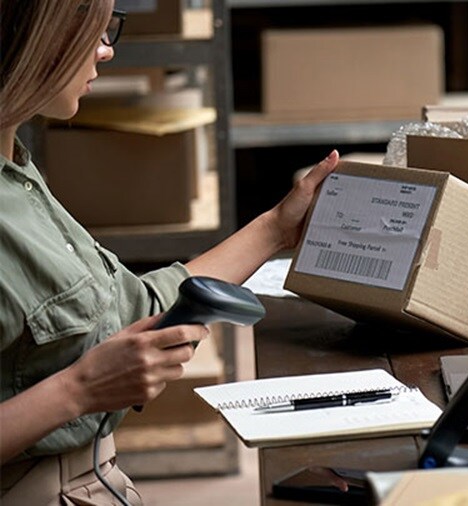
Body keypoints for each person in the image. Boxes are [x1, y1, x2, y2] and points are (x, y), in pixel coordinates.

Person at [0, 1, 339, 503]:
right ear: (31, 36)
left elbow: (131, 310)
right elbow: (87, 371)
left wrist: (277, 228)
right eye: (92, 30)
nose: (106, 49)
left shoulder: (18, 174)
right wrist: (80, 389)